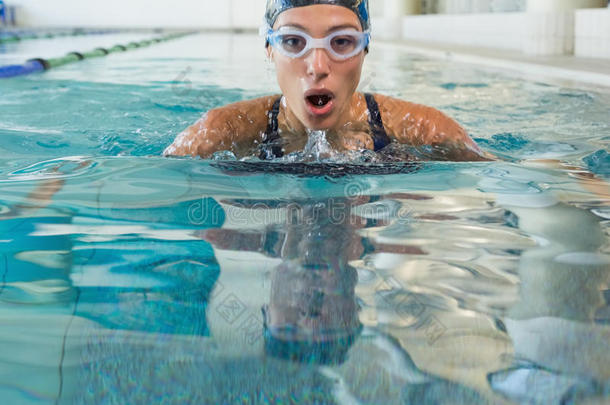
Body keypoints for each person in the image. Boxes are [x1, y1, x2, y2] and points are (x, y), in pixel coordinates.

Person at [163, 0, 488, 162]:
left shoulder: (424, 128)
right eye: (293, 42)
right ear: (269, 50)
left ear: (365, 48)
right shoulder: (223, 131)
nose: (317, 67)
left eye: (341, 42)